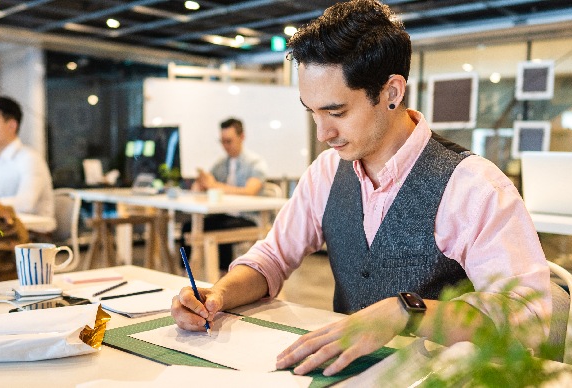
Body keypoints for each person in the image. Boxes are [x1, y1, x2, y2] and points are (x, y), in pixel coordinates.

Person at [170, 0, 551, 377]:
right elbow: (271, 258)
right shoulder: (326, 172)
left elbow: (526, 317)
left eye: (336, 113)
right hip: (349, 374)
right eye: (312, 112)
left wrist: (407, 310)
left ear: (392, 93)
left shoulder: (472, 185)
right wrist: (219, 295)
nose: (323, 134)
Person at [184, 118, 269, 269]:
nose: (225, 146)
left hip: (248, 217)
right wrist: (202, 183)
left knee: (217, 228)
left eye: (229, 141)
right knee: (188, 227)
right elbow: (208, 183)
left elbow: (250, 191)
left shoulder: (256, 163)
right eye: (222, 141)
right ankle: (186, 275)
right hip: (225, 215)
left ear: (242, 137)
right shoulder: (221, 163)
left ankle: (222, 275)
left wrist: (215, 186)